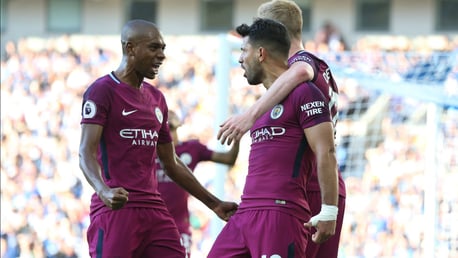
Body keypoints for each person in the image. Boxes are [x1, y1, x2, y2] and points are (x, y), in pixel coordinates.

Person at [78, 19, 238, 258]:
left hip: (154, 210)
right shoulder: (102, 91)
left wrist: (214, 203)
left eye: (163, 48)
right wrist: (104, 191)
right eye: (154, 48)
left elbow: (170, 162)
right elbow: (86, 152)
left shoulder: (156, 99)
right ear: (130, 48)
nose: (162, 55)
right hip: (117, 208)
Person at [218, 1, 347, 257]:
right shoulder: (316, 72)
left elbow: (300, 70)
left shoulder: (303, 64)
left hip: (308, 187)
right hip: (315, 185)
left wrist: (250, 115)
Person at [156, 110, 240, 257]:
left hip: (178, 225)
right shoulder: (148, 149)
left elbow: (228, 159)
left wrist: (237, 138)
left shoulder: (192, 148)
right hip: (151, 221)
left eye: (172, 125)